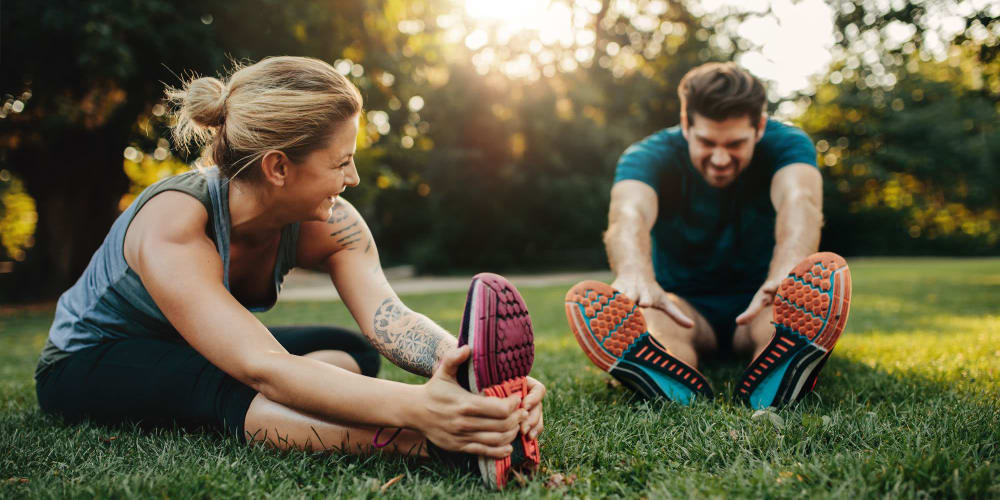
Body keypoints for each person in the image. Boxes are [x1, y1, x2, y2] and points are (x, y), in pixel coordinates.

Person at [34, 56, 544, 488]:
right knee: (235, 384)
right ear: (278, 168)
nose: (354, 177)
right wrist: (423, 410)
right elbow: (263, 366)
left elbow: (388, 317)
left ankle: (286, 409)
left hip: (194, 348)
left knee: (354, 353)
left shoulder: (330, 221)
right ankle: (434, 448)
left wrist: (473, 376)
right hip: (89, 360)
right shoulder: (175, 222)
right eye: (340, 162)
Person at [564, 62, 852, 409]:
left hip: (760, 300)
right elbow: (629, 213)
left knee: (780, 321)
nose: (719, 158)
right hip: (683, 306)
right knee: (656, 322)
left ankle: (781, 370)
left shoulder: (788, 144)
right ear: (686, 125)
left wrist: (787, 273)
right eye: (706, 142)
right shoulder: (647, 156)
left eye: (734, 144)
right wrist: (635, 274)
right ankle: (669, 374)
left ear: (759, 127)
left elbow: (799, 200)